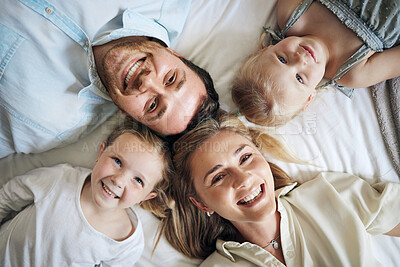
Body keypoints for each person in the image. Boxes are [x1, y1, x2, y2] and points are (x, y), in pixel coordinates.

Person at [161, 113, 400, 266]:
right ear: (202, 204)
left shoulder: (331, 194)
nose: (243, 179)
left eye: (245, 157)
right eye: (219, 177)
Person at [0, 0, 219, 158]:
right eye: (170, 78)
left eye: (152, 105)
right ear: (177, 55)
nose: (147, 82)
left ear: (128, 114)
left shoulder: (49, 124)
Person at [0, 118, 173, 266]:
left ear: (146, 197)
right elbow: (7, 197)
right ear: (100, 153)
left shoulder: (127, 245)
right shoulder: (61, 179)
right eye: (117, 161)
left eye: (138, 180)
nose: (118, 180)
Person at [231, 0, 400, 127]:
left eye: (282, 59)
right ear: (310, 97)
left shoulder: (292, 14)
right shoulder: (352, 73)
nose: (300, 59)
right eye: (299, 78)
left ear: (267, 49)